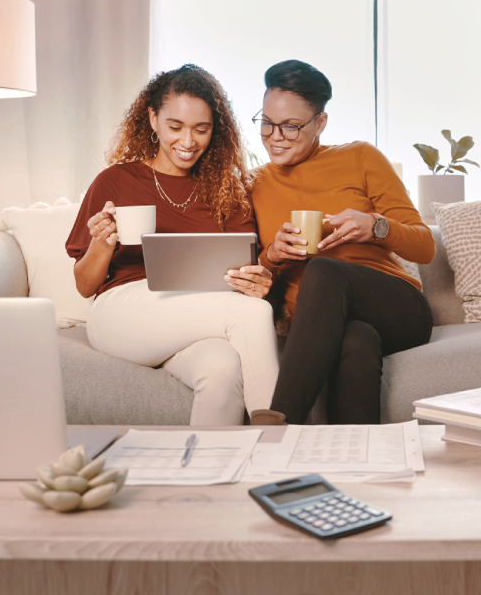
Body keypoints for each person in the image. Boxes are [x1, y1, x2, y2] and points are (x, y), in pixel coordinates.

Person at [65, 64, 279, 426]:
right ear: (152, 119)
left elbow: (246, 271)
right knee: (252, 315)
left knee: (222, 369)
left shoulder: (229, 192)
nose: (188, 141)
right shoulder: (116, 181)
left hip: (196, 319)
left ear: (216, 129)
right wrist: (102, 243)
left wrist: (257, 281)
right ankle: (279, 440)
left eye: (201, 129)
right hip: (122, 314)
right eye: (175, 126)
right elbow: (85, 285)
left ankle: (210, 475)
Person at [249, 59, 435, 425]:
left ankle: (281, 421)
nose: (275, 136)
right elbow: (250, 269)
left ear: (320, 123)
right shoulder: (252, 183)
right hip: (324, 324)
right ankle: (356, 463)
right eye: (267, 123)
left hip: (396, 306)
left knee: (324, 268)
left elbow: (425, 248)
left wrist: (376, 227)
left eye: (290, 126)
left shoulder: (359, 157)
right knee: (356, 341)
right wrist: (273, 255)